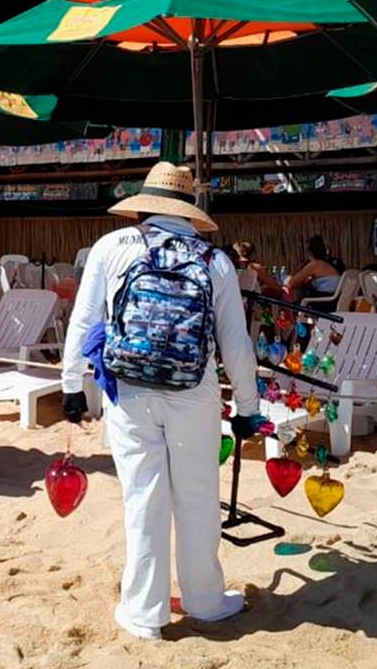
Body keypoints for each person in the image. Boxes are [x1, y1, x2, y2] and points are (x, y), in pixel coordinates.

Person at [60, 162, 259, 639]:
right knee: (196, 495)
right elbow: (235, 344)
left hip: (128, 390)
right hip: (195, 391)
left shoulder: (111, 248)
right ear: (187, 210)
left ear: (143, 206)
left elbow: (83, 321)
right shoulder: (215, 261)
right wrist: (249, 408)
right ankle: (206, 601)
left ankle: (145, 612)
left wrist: (72, 384)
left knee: (143, 497)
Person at [286, 235, 342, 309]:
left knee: (294, 304)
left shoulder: (314, 265)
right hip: (335, 300)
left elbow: (292, 283)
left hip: (325, 303)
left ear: (310, 253)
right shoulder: (328, 265)